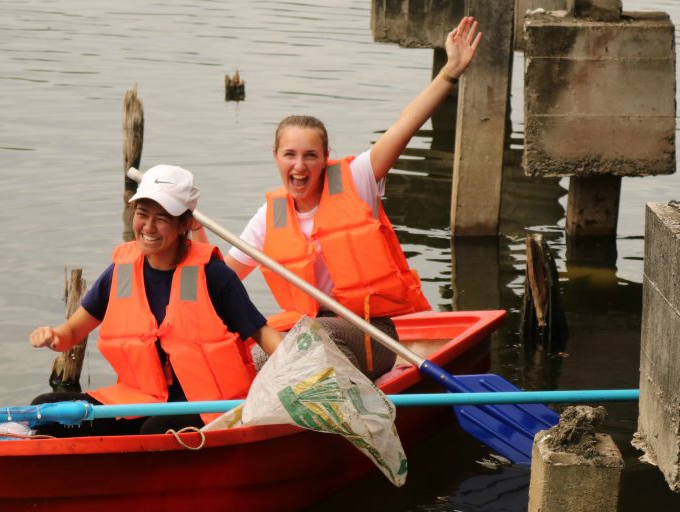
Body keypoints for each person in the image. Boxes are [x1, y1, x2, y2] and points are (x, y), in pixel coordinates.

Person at [225, 17, 482, 381]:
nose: (300, 166)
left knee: (312, 339)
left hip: (377, 333)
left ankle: (342, 409)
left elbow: (403, 127)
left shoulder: (357, 179)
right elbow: (220, 280)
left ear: (326, 156)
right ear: (276, 156)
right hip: (311, 334)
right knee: (253, 354)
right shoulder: (268, 218)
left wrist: (450, 72)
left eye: (310, 156)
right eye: (290, 155)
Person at [29, 164, 282, 437]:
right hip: (139, 399)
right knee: (43, 411)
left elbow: (261, 332)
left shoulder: (213, 275)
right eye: (142, 214)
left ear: (184, 223)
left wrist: (303, 370)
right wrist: (52, 336)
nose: (148, 227)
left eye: (161, 218)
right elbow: (72, 333)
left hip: (208, 404)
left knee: (156, 432)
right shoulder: (121, 273)